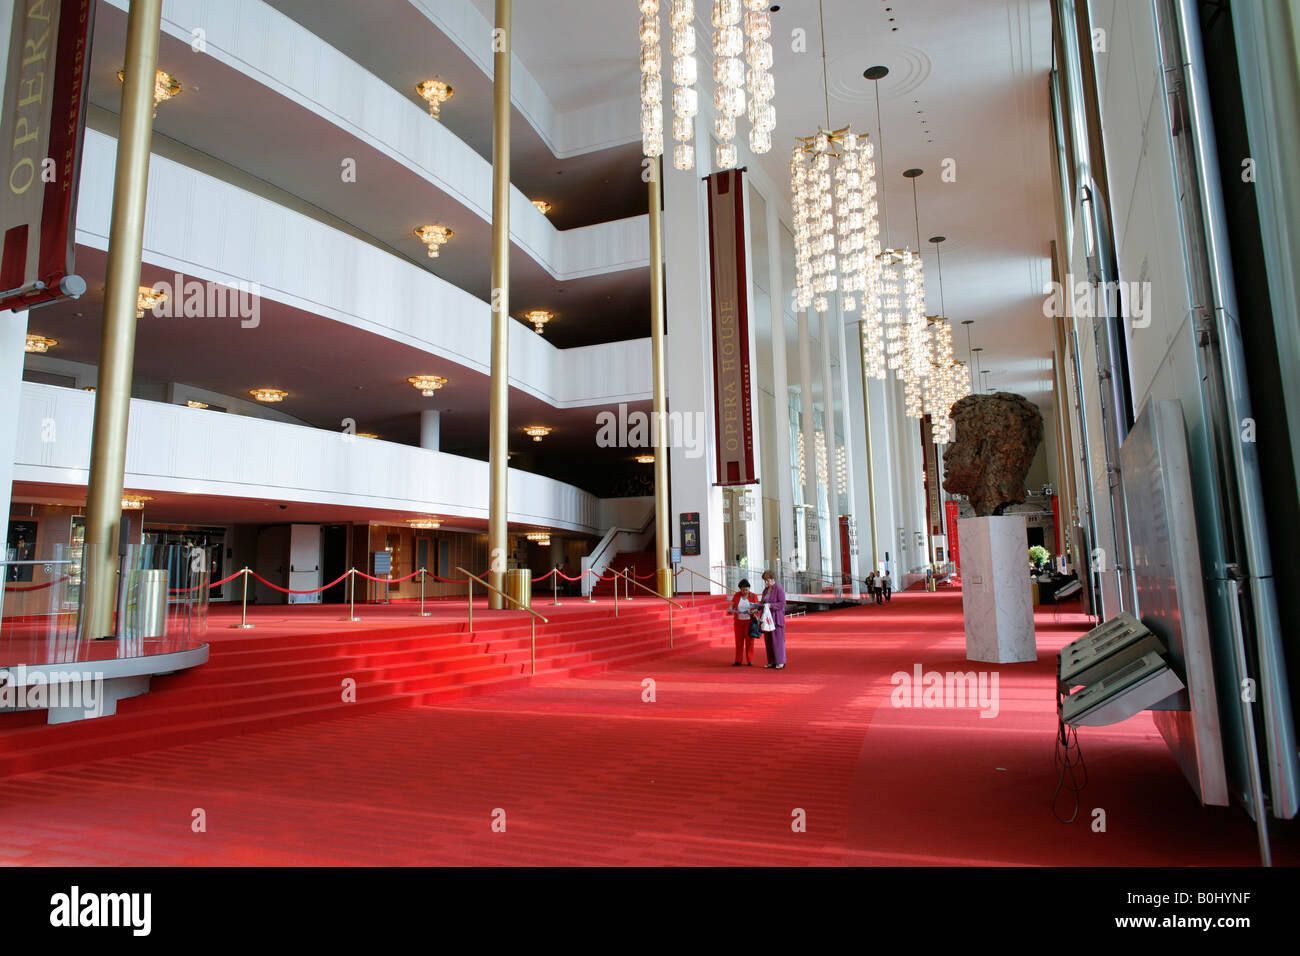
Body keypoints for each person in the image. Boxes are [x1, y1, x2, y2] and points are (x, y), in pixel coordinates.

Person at [758, 569, 787, 669]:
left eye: (767, 580)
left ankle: (780, 661)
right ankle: (771, 661)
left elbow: (782, 603)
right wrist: (756, 609)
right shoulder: (765, 590)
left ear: (773, 579)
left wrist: (771, 605)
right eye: (765, 580)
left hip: (776, 618)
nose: (766, 582)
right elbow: (762, 603)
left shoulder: (778, 588)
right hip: (767, 619)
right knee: (768, 640)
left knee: (778, 640)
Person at [728, 579, 759, 667]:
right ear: (740, 589)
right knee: (739, 642)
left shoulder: (753, 596)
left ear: (749, 589)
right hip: (738, 622)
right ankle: (738, 660)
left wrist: (753, 611)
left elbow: (757, 608)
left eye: (747, 589)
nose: (745, 591)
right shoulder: (737, 595)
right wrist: (730, 609)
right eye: (743, 589)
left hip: (749, 622)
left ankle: (750, 660)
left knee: (750, 641)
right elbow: (732, 604)